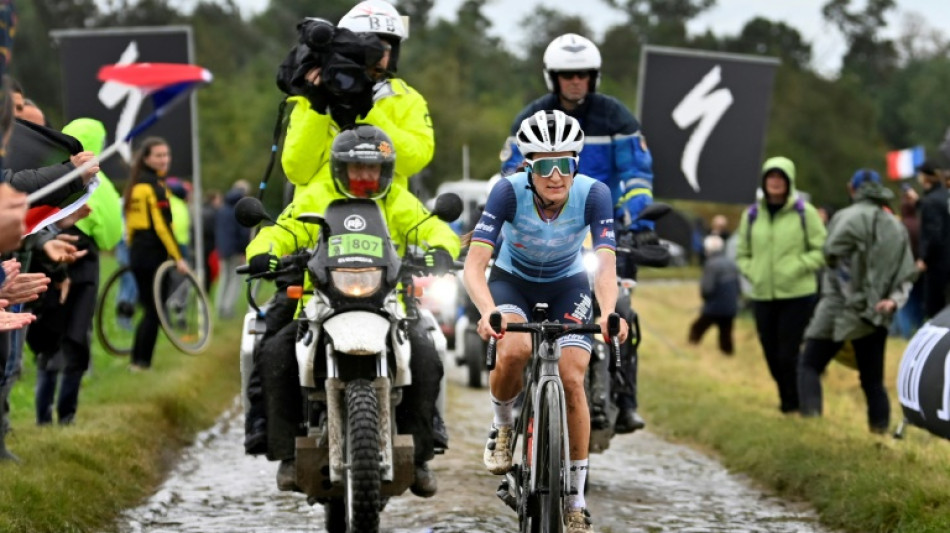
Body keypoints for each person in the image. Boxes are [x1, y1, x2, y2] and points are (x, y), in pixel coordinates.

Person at [243, 0, 440, 455]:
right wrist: (318, 105)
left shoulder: (406, 99)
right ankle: (272, 434)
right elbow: (295, 169)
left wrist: (369, 109)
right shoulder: (312, 96)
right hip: (316, 230)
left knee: (427, 346)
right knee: (274, 341)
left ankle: (425, 441)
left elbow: (414, 156)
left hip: (389, 230)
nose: (380, 56)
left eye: (388, 46)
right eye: (369, 47)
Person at [245, 125, 459, 498]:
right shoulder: (315, 195)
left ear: (386, 171)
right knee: (276, 352)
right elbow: (279, 231)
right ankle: (287, 454)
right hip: (318, 302)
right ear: (339, 168)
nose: (365, 176)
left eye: (373, 169)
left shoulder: (398, 200)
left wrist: (441, 249)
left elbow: (434, 228)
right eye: (356, 168)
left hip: (389, 302)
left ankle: (421, 453)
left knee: (425, 354)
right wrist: (265, 252)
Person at [467, 110, 628, 533]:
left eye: (565, 164)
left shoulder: (595, 195)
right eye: (543, 165)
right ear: (528, 166)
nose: (555, 176)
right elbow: (475, 266)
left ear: (576, 165)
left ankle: (575, 499)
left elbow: (606, 266)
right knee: (516, 349)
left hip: (568, 284)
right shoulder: (506, 191)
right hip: (512, 282)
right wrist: (489, 312)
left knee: (574, 377)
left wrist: (609, 311)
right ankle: (503, 428)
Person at [500, 33, 654, 434]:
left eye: (582, 75)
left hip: (603, 226)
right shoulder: (530, 118)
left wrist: (639, 225)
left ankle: (625, 398)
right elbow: (513, 173)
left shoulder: (617, 118)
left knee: (622, 308)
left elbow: (637, 177)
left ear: (594, 77)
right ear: (553, 78)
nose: (575, 82)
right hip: (548, 228)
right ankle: (516, 399)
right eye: (567, 75)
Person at [798, 170, 917, 433]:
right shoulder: (895, 225)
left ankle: (811, 427)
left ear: (852, 189)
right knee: (872, 381)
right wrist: (892, 302)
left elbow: (830, 256)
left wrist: (847, 297)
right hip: (876, 312)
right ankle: (880, 435)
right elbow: (906, 273)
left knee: (809, 364)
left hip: (837, 308)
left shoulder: (844, 217)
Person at [30, 118, 122, 426]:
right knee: (75, 339)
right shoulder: (101, 184)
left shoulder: (50, 174)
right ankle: (66, 416)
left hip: (45, 261)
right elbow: (112, 234)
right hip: (83, 268)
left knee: (48, 339)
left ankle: (42, 418)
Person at [735, 156, 827, 414]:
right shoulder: (752, 215)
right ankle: (787, 399)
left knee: (789, 354)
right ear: (764, 181)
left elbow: (821, 250)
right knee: (771, 354)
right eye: (770, 177)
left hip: (798, 294)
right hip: (763, 294)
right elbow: (742, 253)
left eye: (780, 177)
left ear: (789, 181)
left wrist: (798, 266)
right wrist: (753, 271)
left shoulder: (804, 213)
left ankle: (793, 405)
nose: (775, 182)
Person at [122, 137, 187, 370]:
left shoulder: (136, 184)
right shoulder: (154, 187)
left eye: (166, 155)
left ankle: (138, 361)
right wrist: (178, 258)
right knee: (154, 310)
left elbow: (129, 225)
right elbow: (162, 226)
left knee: (149, 308)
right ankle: (141, 363)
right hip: (152, 255)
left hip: (138, 252)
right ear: (146, 158)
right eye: (158, 155)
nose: (164, 159)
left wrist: (131, 250)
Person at [688, 235, 740, 355]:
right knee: (726, 333)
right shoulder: (731, 263)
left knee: (696, 328)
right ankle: (728, 354)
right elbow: (738, 286)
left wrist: (706, 301)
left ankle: (691, 348)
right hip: (731, 307)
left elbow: (707, 288)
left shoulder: (711, 264)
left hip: (714, 308)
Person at [915, 160, 950, 319]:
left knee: (935, 311)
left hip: (938, 264)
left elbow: (933, 234)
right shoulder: (945, 196)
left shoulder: (931, 202)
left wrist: (924, 258)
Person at [213, 180, 250, 319]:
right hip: (235, 251)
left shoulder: (222, 208)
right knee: (235, 279)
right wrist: (243, 251)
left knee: (224, 278)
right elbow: (243, 233)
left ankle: (220, 306)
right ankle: (228, 308)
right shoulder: (240, 210)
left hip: (222, 250)